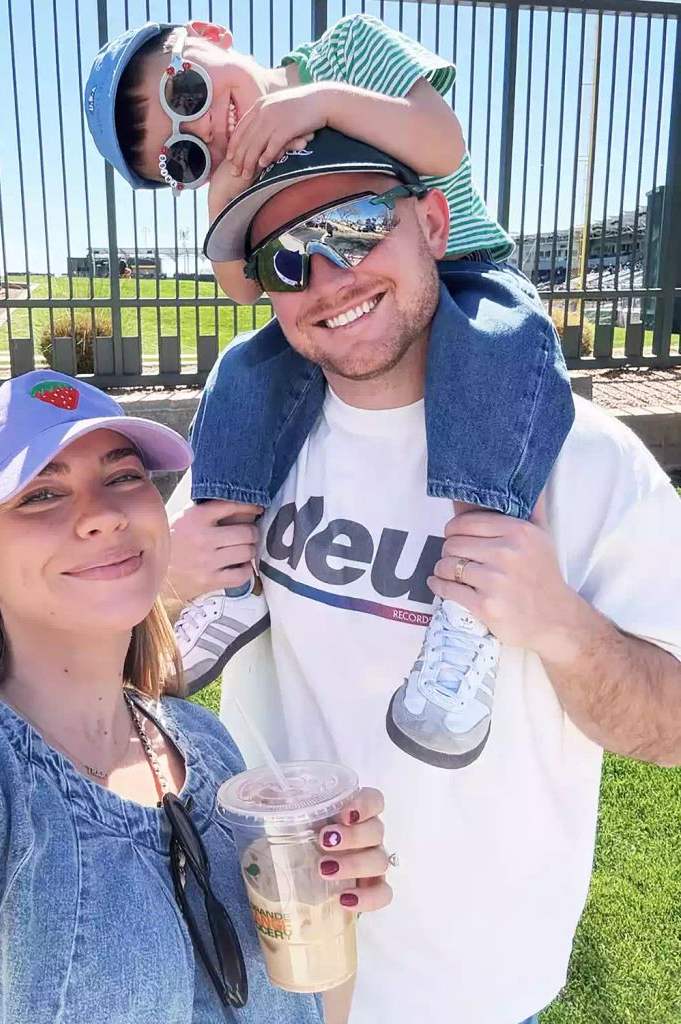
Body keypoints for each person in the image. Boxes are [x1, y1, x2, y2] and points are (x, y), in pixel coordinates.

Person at [161, 134, 681, 1024]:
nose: (327, 275)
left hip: (473, 983)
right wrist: (162, 596)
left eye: (358, 226)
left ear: (433, 222)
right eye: (285, 260)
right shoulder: (243, 456)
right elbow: (124, 678)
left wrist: (559, 624)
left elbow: (670, 730)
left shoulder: (586, 460)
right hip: (278, 945)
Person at [84, 15, 575, 768]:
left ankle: (469, 604)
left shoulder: (344, 50)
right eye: (183, 158)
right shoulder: (238, 166)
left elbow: (441, 144)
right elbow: (243, 286)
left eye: (188, 90)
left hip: (462, 271)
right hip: (331, 299)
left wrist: (318, 104)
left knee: (500, 350)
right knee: (247, 366)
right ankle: (230, 578)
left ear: (207, 32)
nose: (207, 129)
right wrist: (227, 179)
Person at [0, 369, 391, 1024]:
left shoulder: (204, 745)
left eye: (122, 477)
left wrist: (329, 901)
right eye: (40, 495)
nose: (104, 515)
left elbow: (308, 1009)